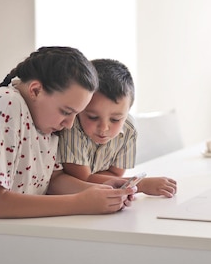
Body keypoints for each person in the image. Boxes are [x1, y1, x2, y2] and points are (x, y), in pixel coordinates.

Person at [0, 47, 136, 264]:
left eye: (76, 115)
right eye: (66, 112)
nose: (69, 124)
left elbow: (53, 180)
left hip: (15, 243)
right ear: (35, 90)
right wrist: (81, 202)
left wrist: (101, 187)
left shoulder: (45, 121)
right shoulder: (6, 104)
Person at [58, 58, 177, 197]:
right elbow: (83, 178)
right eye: (92, 117)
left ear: (127, 112)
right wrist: (141, 184)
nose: (103, 128)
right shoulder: (72, 126)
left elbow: (115, 173)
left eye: (115, 119)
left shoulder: (129, 128)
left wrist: (107, 182)